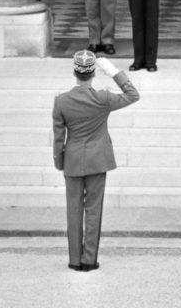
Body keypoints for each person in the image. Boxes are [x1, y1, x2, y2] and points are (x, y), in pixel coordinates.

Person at [52, 50, 139, 272]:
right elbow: (132, 95)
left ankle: (74, 259)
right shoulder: (103, 98)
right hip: (97, 160)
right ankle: (89, 260)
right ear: (92, 73)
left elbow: (58, 136)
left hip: (72, 159)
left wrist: (60, 162)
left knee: (73, 210)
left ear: (75, 72)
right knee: (93, 209)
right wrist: (113, 72)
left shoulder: (62, 101)